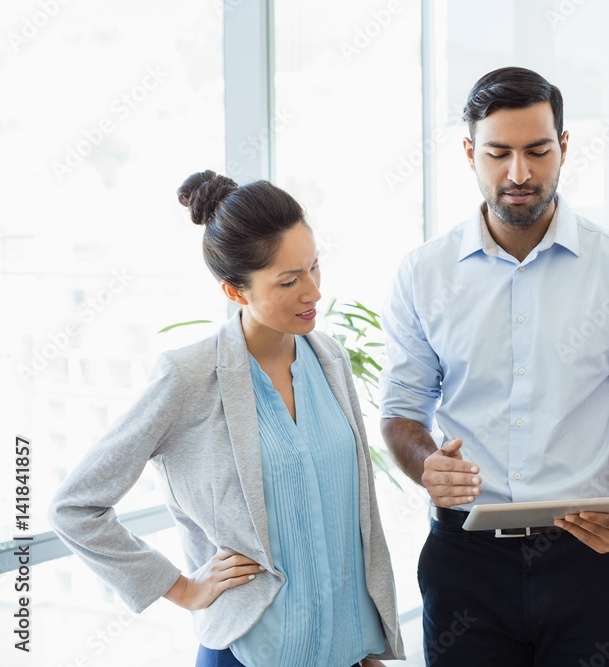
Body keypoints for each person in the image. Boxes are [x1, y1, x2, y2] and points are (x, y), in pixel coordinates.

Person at [379, 66, 609, 666]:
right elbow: (402, 412)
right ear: (470, 153)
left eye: (538, 151)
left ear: (564, 147)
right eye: (498, 153)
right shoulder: (423, 275)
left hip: (591, 556)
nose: (519, 173)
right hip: (466, 564)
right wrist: (426, 466)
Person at [49, 171, 404, 667]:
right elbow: (76, 508)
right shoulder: (188, 377)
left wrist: (361, 644)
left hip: (346, 653)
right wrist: (181, 588)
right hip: (250, 652)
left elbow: (347, 517)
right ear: (235, 292)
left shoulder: (330, 359)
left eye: (314, 267)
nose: (314, 293)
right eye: (289, 280)